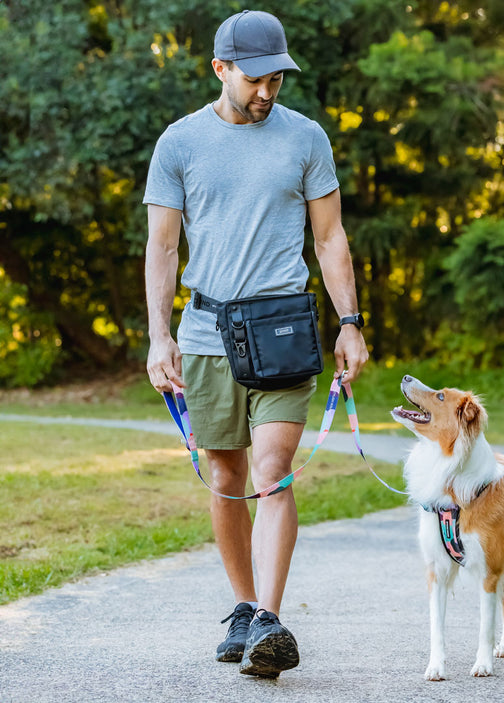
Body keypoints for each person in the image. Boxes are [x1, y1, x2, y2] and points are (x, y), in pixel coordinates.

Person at [143, 9, 368, 679]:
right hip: (206, 331)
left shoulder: (305, 138)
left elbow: (328, 239)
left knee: (271, 472)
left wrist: (349, 320)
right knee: (227, 476)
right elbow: (161, 244)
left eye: (276, 78)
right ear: (220, 69)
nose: (267, 91)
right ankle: (242, 604)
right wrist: (158, 335)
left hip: (281, 330)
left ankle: (268, 620)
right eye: (254, 79)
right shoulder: (179, 143)